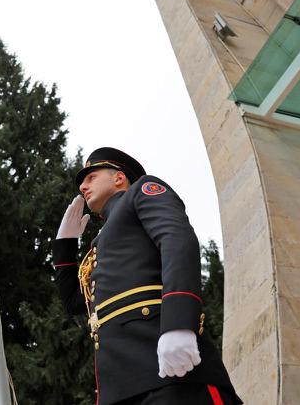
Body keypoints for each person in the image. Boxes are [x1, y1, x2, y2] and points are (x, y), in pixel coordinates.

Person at [52, 147, 242, 405]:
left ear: (119, 177)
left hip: (170, 370)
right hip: (119, 387)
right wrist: (64, 246)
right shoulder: (100, 242)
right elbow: (75, 303)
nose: (82, 187)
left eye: (91, 177)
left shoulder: (142, 191)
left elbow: (176, 240)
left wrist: (179, 323)